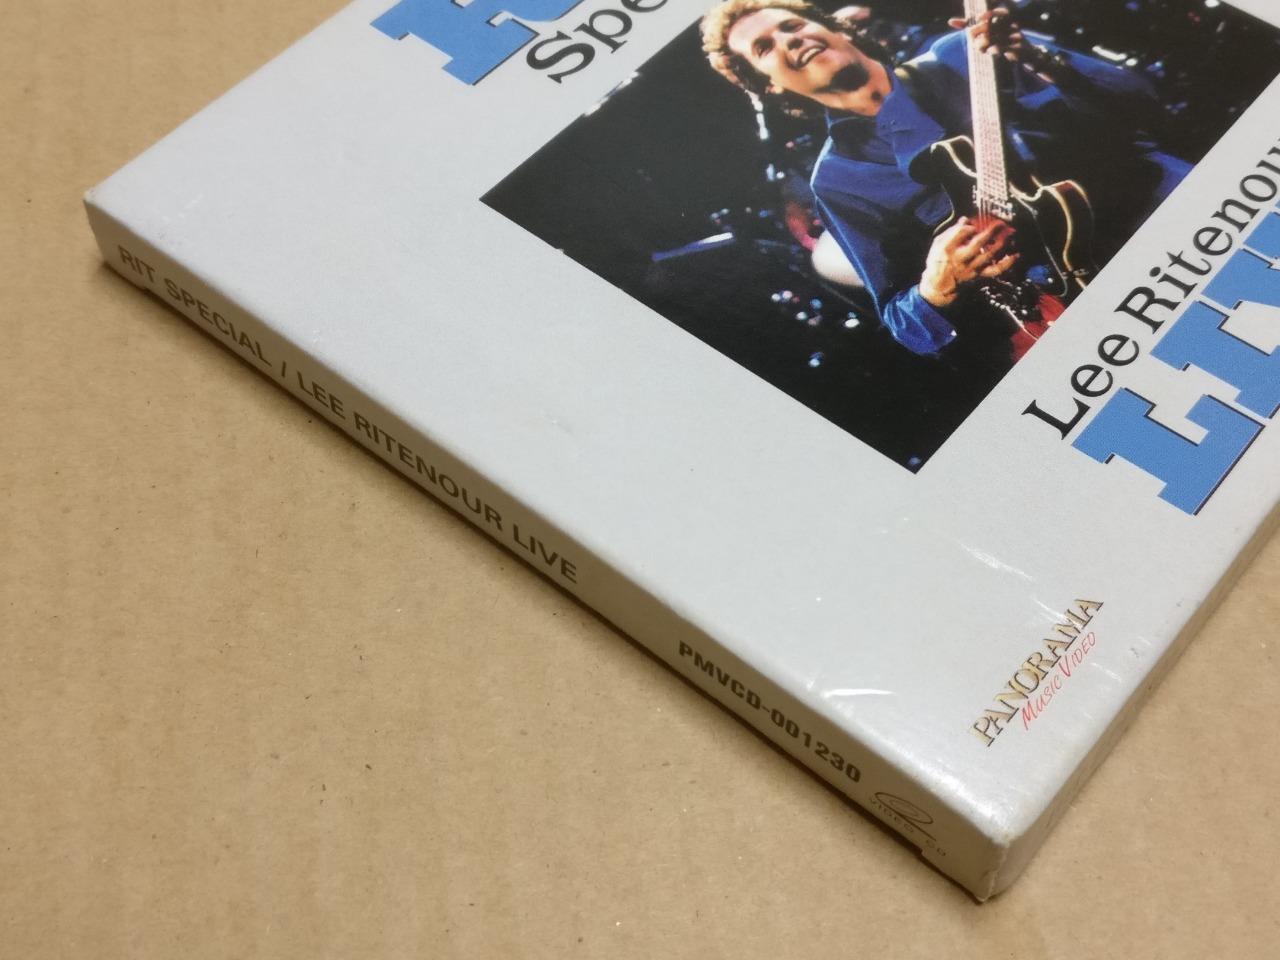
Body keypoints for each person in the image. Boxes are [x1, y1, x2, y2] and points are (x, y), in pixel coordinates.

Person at [701, 0, 1190, 359]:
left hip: (1175, 221)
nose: (789, 39)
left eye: (793, 25)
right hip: (1089, 304)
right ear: (768, 85)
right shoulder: (838, 180)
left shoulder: (966, 53)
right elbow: (905, 324)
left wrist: (1038, 59)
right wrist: (936, 287)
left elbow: (1144, 102)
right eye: (765, 47)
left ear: (837, 28)